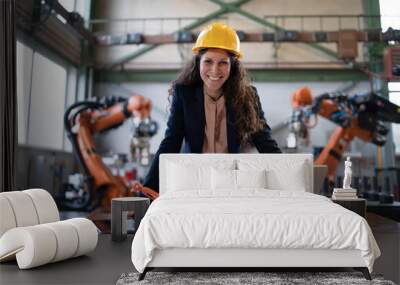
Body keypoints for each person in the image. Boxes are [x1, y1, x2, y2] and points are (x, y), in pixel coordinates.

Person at [143, 22, 281, 193]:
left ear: (233, 66)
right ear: (198, 62)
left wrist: (286, 177)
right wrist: (149, 186)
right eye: (208, 61)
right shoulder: (184, 94)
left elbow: (264, 141)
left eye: (223, 63)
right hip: (193, 180)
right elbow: (171, 141)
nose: (215, 70)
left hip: (234, 182)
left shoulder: (248, 96)